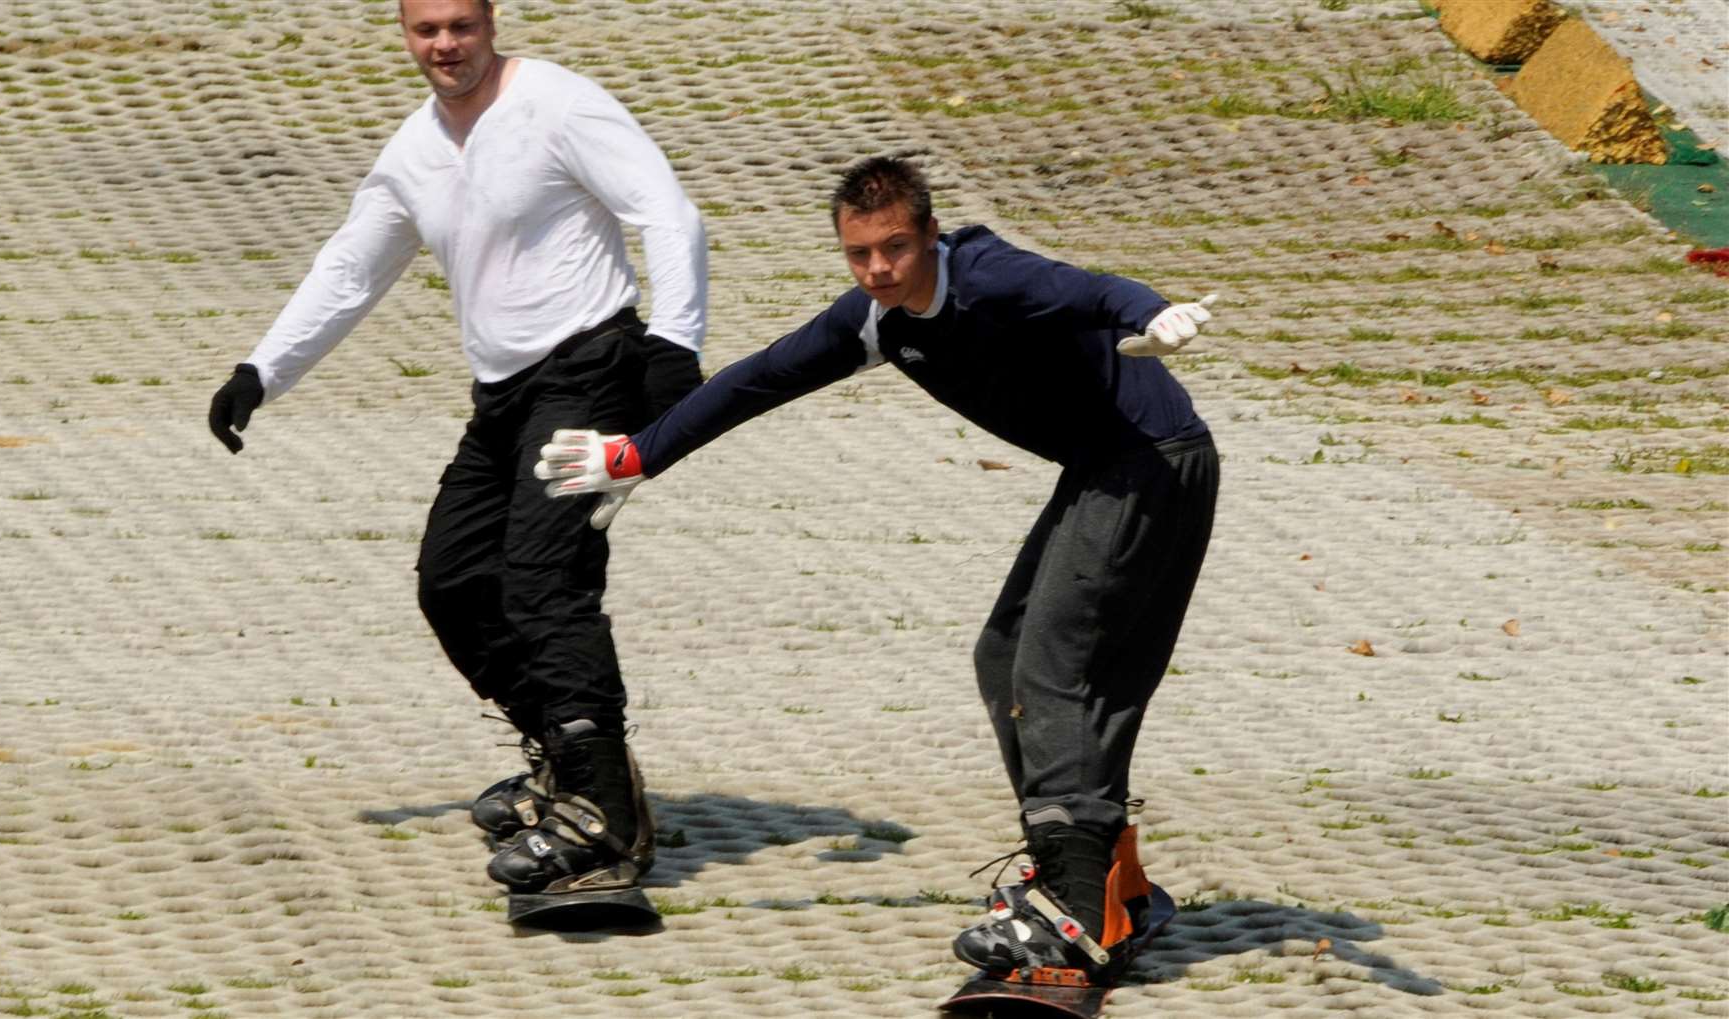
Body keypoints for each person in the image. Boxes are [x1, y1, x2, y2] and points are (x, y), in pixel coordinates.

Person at [535, 156, 1217, 973]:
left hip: (1152, 459)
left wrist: (1157, 313)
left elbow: (1096, 289)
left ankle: (1074, 903)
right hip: (1105, 470)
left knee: (1051, 668)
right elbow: (761, 378)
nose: (880, 269)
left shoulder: (989, 277)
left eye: (895, 247)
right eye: (860, 254)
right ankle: (1102, 877)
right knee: (1003, 657)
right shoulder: (876, 319)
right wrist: (642, 452)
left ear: (930, 233)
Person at [206, 0, 706, 899]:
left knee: (547, 580)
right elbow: (351, 268)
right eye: (426, 30)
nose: (445, 46)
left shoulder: (558, 103)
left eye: (461, 27)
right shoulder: (415, 150)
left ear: (490, 23)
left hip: (591, 368)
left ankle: (603, 821)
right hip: (505, 394)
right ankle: (572, 756)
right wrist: (261, 371)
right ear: (404, 33)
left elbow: (668, 214)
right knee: (455, 579)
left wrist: (675, 348)